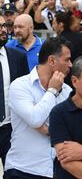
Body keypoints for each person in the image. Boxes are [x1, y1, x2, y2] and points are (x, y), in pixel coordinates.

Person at [4, 36, 73, 179]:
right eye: (67, 60)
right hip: (23, 170)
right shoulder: (20, 85)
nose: (71, 65)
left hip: (58, 171)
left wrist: (48, 129)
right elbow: (35, 119)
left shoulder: (67, 91)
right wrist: (52, 91)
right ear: (52, 61)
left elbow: (73, 129)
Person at [0, 15, 28, 168]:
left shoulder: (18, 57)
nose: (3, 30)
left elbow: (25, 94)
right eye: (0, 26)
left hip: (10, 129)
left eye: (5, 26)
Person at [52, 11, 82, 87]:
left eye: (54, 23)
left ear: (61, 24)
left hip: (65, 82)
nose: (53, 26)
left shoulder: (57, 42)